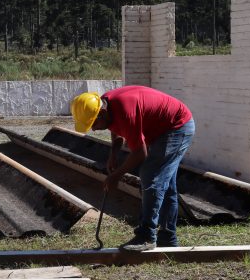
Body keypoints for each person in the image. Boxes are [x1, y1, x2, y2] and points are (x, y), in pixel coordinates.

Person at [70, 86, 195, 251]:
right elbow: (114, 127)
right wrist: (113, 154)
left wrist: (116, 175)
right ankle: (168, 238)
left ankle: (146, 236)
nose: (93, 129)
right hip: (162, 129)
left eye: (93, 123)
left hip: (177, 127)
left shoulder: (125, 110)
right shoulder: (107, 104)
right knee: (166, 187)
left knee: (151, 177)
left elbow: (140, 153)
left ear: (101, 113)